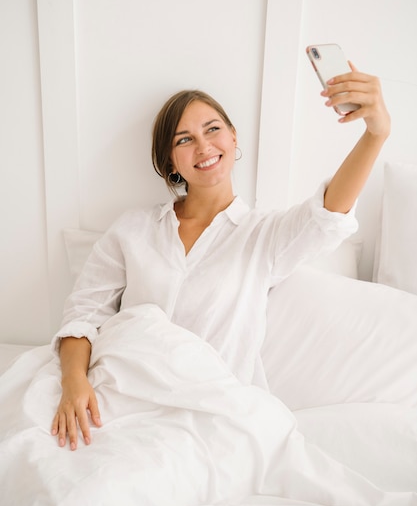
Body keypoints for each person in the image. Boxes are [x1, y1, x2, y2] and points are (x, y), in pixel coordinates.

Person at [51, 64, 390, 450]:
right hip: (111, 397)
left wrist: (375, 134)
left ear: (232, 136)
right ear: (170, 162)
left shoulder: (263, 236)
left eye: (213, 129)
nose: (203, 146)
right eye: (184, 139)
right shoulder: (132, 229)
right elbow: (84, 314)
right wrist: (73, 382)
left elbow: (327, 216)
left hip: (204, 417)